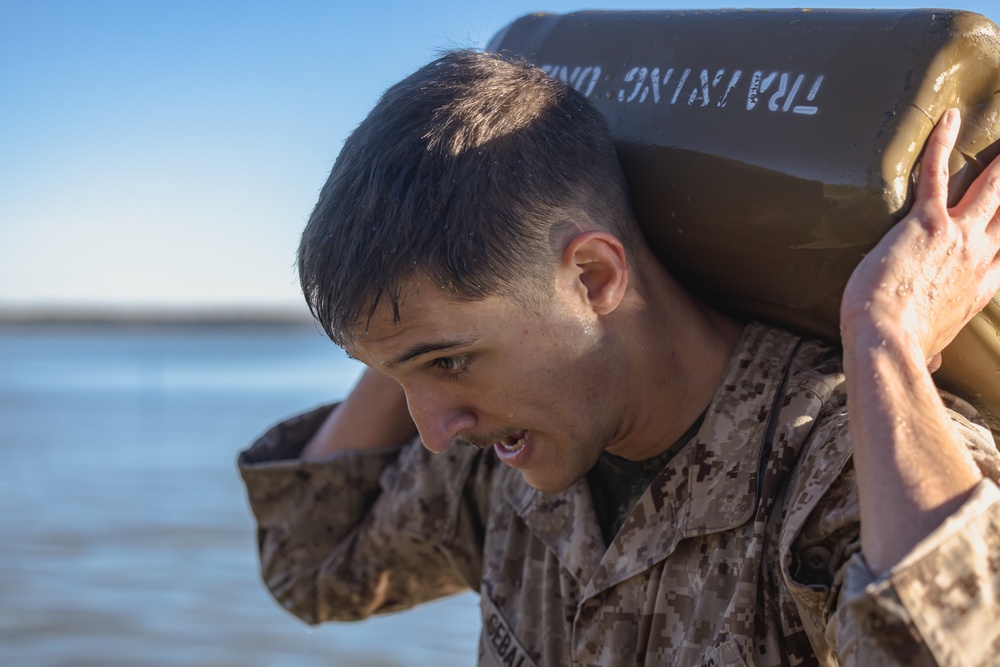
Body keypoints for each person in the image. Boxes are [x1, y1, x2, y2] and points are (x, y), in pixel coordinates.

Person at [238, 50, 1000, 666]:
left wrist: (884, 336)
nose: (432, 430)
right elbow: (313, 561)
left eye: (451, 362)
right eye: (399, 375)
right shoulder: (508, 466)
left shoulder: (835, 459)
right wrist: (405, 333)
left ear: (594, 276)